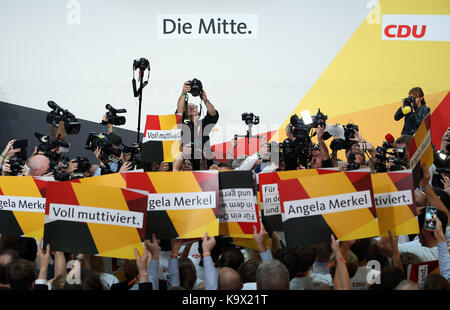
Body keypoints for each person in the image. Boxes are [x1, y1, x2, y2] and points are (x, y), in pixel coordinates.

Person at [176, 81, 219, 170]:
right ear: (186, 112)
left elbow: (213, 114)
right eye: (189, 107)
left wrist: (205, 100)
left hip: (205, 165)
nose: (191, 108)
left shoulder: (204, 123)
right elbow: (179, 111)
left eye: (194, 107)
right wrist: (184, 92)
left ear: (199, 111)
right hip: (187, 164)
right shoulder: (183, 123)